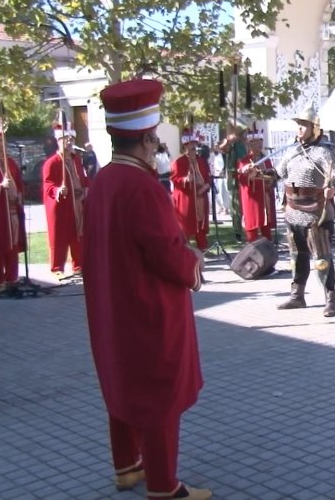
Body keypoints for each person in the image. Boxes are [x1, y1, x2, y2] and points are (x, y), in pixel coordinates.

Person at [84, 78, 211, 499]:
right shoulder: (142, 187)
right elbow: (166, 255)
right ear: (145, 140)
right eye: (155, 140)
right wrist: (193, 262)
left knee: (122, 383)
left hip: (113, 306)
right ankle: (164, 486)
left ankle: (127, 466)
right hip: (149, 309)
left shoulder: (104, 181)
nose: (158, 147)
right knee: (160, 394)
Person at [276, 105, 335, 315]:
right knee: (297, 257)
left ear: (314, 128)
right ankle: (297, 296)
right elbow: (277, 173)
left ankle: (330, 298)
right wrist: (257, 172)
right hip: (293, 211)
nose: (300, 129)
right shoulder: (291, 151)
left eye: (304, 125)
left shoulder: (323, 152)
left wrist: (332, 188)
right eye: (298, 125)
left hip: (316, 213)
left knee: (322, 259)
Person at [42, 122, 87, 279]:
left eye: (71, 139)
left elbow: (83, 178)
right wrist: (57, 190)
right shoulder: (52, 163)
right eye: (65, 139)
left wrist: (86, 188)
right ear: (58, 141)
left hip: (78, 204)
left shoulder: (76, 160)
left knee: (78, 235)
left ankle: (78, 265)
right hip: (63, 204)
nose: (69, 142)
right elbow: (48, 184)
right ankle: (56, 268)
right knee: (60, 237)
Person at [0, 121, 25, 295]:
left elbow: (18, 182)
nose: (2, 145)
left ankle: (12, 279)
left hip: (12, 212)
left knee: (13, 246)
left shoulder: (10, 162)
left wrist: (19, 195)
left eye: (3, 141)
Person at [171, 131, 212, 251]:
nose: (194, 147)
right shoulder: (178, 162)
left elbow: (208, 178)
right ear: (185, 146)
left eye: (195, 144)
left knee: (201, 224)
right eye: (191, 144)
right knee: (186, 225)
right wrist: (185, 180)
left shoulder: (202, 162)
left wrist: (206, 186)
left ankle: (203, 248)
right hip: (187, 198)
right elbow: (174, 179)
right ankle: (185, 250)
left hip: (201, 198)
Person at [235, 127, 277, 242]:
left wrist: (271, 179)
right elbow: (241, 179)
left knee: (266, 226)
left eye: (261, 140)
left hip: (265, 197)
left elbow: (271, 177)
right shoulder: (243, 161)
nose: (260, 143)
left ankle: (268, 248)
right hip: (252, 199)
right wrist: (247, 172)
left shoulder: (266, 160)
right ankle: (252, 250)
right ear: (250, 143)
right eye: (257, 141)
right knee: (252, 226)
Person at [210, 149, 229, 218]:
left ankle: (225, 208)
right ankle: (220, 207)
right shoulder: (214, 156)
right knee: (216, 193)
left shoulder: (220, 156)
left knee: (222, 192)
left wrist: (219, 171)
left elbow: (221, 166)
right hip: (215, 175)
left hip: (220, 176)